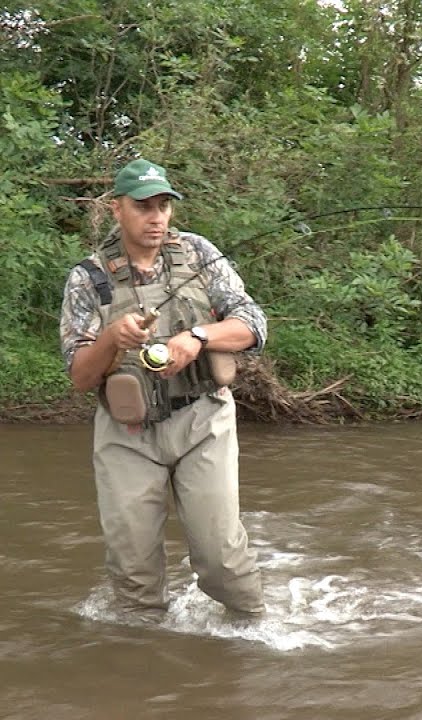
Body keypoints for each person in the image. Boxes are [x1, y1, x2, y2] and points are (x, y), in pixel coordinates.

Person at [59, 158, 266, 616]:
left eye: (164, 206)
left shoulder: (199, 255)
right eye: (144, 206)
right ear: (117, 209)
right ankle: (145, 667)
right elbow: (79, 376)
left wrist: (197, 338)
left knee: (220, 562)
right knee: (133, 579)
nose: (156, 217)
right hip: (127, 436)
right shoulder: (87, 278)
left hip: (203, 419)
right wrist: (112, 338)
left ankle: (256, 636)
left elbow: (253, 325)